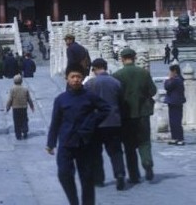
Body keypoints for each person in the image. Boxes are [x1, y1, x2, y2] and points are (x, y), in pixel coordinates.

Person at [46, 63, 111, 205]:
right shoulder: (61, 99)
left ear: (82, 78)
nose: (75, 79)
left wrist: (92, 122)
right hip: (66, 142)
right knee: (64, 174)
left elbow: (106, 109)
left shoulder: (90, 96)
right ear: (67, 78)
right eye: (72, 77)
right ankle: (73, 201)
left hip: (85, 142)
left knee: (87, 178)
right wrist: (50, 143)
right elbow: (55, 122)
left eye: (78, 77)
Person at [113, 47, 157, 183]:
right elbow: (153, 90)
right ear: (135, 57)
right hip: (143, 113)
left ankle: (134, 175)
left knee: (129, 146)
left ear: (121, 59)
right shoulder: (143, 73)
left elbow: (115, 95)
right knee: (144, 142)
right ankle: (147, 163)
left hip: (126, 115)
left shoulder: (117, 75)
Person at [84, 58, 125, 191]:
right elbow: (122, 102)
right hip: (114, 121)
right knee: (116, 151)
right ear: (106, 67)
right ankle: (119, 174)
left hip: (97, 123)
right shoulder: (116, 83)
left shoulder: (90, 84)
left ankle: (99, 179)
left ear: (94, 69)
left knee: (96, 152)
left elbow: (86, 104)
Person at [5, 74, 34, 140]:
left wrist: (7, 107)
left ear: (14, 81)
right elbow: (29, 99)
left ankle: (18, 134)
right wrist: (32, 106)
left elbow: (10, 99)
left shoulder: (12, 89)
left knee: (16, 121)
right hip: (24, 107)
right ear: (21, 81)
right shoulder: (25, 89)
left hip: (15, 108)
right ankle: (25, 131)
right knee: (24, 119)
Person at [164, 64, 186, 146]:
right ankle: (175, 137)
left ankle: (179, 138)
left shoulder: (175, 80)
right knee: (173, 121)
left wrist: (168, 79)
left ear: (174, 71)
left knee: (176, 121)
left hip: (174, 102)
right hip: (175, 102)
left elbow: (167, 86)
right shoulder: (179, 79)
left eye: (170, 71)